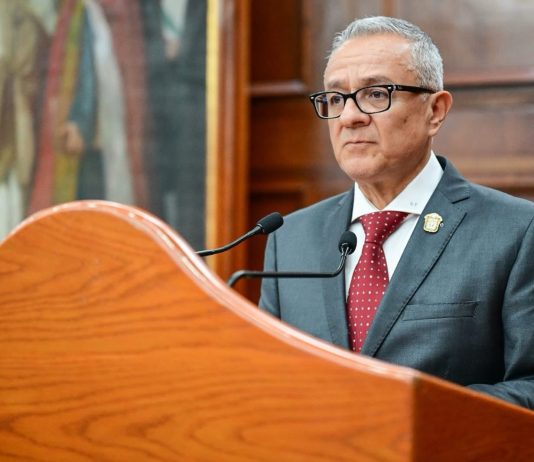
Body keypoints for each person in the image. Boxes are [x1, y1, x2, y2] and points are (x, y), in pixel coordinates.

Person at [259, 16, 534, 410]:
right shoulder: (290, 239)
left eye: (376, 94)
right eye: (335, 98)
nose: (349, 117)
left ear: (435, 110)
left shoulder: (516, 231)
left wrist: (410, 415)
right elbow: (269, 382)